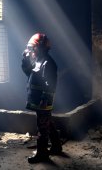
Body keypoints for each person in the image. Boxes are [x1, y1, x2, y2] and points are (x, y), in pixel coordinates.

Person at [21, 33, 63, 163]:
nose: (31, 50)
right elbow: (28, 72)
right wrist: (25, 59)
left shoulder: (48, 63)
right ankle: (56, 146)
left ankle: (42, 154)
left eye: (33, 48)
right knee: (47, 123)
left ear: (40, 48)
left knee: (42, 127)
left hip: (43, 101)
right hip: (37, 99)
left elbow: (51, 85)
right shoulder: (38, 60)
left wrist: (44, 100)